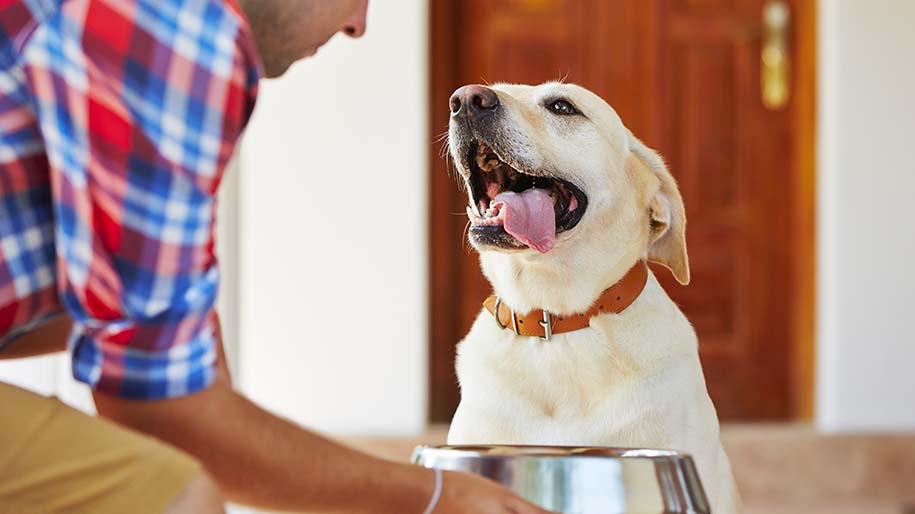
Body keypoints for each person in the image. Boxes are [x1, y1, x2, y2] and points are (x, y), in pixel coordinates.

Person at [0, 0, 553, 512]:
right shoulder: (184, 34)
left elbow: (134, 328)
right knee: (174, 496)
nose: (359, 25)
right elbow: (159, 411)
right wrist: (435, 495)